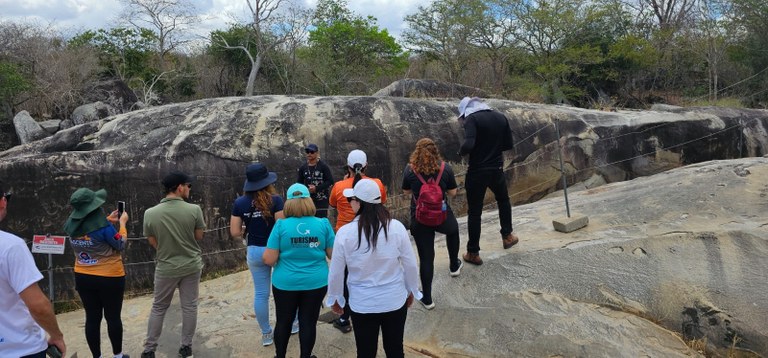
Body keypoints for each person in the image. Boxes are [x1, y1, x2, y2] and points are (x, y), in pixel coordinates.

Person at [326, 179, 421, 358]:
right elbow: (410, 264)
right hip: (394, 299)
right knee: (395, 350)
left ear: (360, 202)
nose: (350, 203)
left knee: (365, 352)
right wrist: (411, 290)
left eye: (351, 199)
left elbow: (336, 272)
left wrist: (336, 297)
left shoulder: (345, 233)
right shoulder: (396, 227)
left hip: (362, 303)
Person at [229, 163, 297, 347]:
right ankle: (294, 324)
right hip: (275, 249)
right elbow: (282, 227)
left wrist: (247, 227)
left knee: (261, 294)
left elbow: (234, 232)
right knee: (287, 288)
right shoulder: (276, 200)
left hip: (254, 250)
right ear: (267, 182)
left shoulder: (239, 203)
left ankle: (266, 334)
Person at [263, 183, 334, 358]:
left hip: (285, 283)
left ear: (288, 203)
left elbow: (269, 259)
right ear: (308, 201)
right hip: (316, 282)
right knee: (308, 322)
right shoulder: (323, 224)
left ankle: (280, 356)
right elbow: (333, 254)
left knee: (283, 322)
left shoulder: (280, 226)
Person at [141, 171, 206, 358]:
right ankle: (186, 348)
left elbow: (152, 240)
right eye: (188, 185)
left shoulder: (150, 213)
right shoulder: (194, 210)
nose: (189, 189)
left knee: (159, 307)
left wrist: (166, 248)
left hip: (166, 267)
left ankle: (149, 350)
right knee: (190, 306)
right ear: (180, 188)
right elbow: (198, 236)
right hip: (191, 265)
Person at [0, 183, 67, 358]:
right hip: (20, 348)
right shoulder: (11, 246)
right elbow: (38, 306)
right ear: (3, 202)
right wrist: (56, 335)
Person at [64, 188, 129, 358]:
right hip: (110, 277)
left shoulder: (71, 224)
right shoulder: (105, 227)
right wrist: (122, 224)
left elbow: (88, 230)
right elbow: (120, 244)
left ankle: (97, 356)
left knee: (92, 318)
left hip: (83, 276)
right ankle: (117, 356)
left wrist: (107, 219)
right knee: (113, 317)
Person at [327, 149, 387, 333]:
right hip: (371, 232)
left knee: (345, 276)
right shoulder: (376, 183)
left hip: (344, 235)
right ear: (366, 165)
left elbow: (332, 205)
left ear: (348, 166)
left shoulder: (338, 187)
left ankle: (344, 317)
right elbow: (381, 202)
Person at [457, 97, 519, 266]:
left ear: (466, 110)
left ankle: (473, 252)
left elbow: (469, 144)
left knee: (475, 212)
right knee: (503, 200)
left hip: (477, 171)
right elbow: (508, 144)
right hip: (496, 169)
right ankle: (508, 236)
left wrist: (460, 152)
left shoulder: (472, 119)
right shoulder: (500, 116)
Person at [401, 138, 461, 310]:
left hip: (420, 218)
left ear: (416, 151)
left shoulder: (410, 169)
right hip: (441, 215)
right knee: (453, 230)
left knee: (426, 258)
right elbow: (453, 192)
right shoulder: (445, 168)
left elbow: (406, 192)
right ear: (435, 150)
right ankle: (454, 265)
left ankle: (427, 299)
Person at [296, 144, 335, 218]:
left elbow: (330, 181)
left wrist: (316, 188)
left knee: (321, 219)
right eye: (307, 152)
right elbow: (299, 183)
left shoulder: (323, 166)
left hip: (321, 200)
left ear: (317, 153)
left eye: (312, 152)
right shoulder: (303, 167)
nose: (309, 154)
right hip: (307, 199)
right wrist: (306, 190)